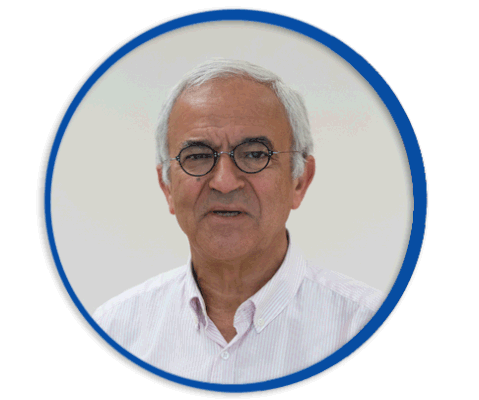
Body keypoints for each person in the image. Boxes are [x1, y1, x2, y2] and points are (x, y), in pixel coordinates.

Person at [93, 59, 384, 384]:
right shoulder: (113, 334)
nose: (224, 182)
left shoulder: (370, 329)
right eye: (198, 156)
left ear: (300, 181)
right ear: (167, 187)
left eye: (255, 154)